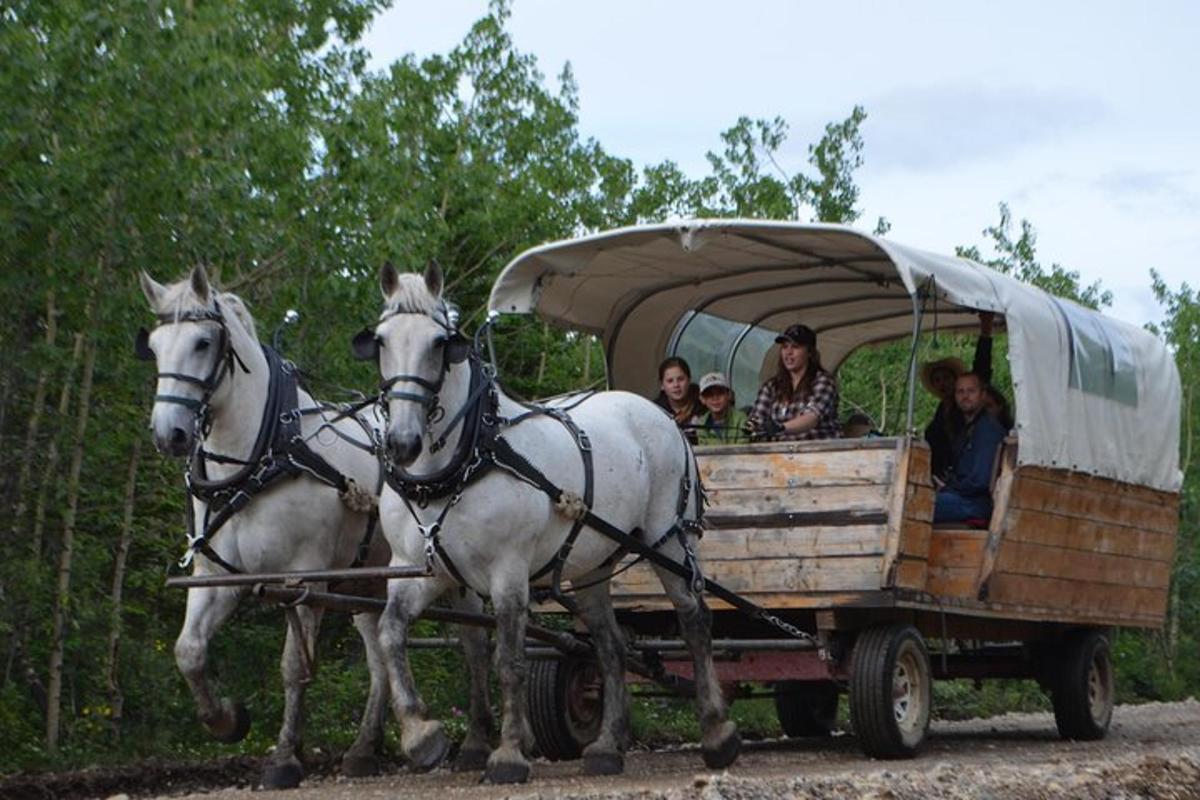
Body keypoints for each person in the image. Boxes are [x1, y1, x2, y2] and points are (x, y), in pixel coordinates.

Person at [923, 311, 994, 481]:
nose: (942, 384)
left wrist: (986, 331)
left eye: (946, 378)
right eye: (937, 380)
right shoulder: (941, 410)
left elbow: (981, 370)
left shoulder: (966, 405)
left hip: (964, 475)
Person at [933, 372, 1006, 524]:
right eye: (960, 392)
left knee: (917, 505)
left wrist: (948, 488)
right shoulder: (968, 428)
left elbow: (981, 481)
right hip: (963, 498)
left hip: (975, 504)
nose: (965, 396)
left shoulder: (987, 429)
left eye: (971, 391)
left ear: (983, 395)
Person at [747, 323, 840, 441]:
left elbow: (811, 418)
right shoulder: (771, 386)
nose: (788, 352)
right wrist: (750, 428)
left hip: (818, 453)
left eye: (795, 347)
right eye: (785, 347)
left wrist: (780, 427)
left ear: (810, 352)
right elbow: (756, 418)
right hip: (781, 455)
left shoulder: (823, 382)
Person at [654, 356, 703, 441]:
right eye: (670, 381)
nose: (676, 385)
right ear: (662, 385)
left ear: (689, 380)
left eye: (680, 379)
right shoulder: (654, 411)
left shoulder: (703, 408)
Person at [695, 372, 748, 445]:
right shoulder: (701, 424)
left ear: (729, 395)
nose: (715, 398)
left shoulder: (741, 419)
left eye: (720, 393)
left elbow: (743, 450)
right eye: (709, 395)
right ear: (702, 399)